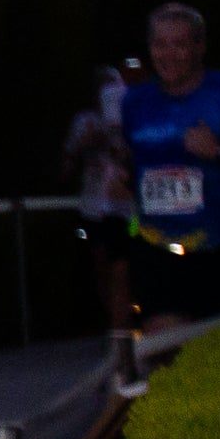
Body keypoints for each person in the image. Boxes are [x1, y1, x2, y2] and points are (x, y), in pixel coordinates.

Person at [118, 3, 220, 326]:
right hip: (157, 247)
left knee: (211, 364)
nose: (168, 54)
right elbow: (131, 159)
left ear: (199, 47)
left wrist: (217, 154)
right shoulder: (134, 102)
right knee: (164, 349)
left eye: (179, 44)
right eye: (159, 45)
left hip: (216, 248)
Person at [67, 69, 134, 335]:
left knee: (124, 267)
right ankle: (115, 325)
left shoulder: (132, 116)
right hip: (95, 207)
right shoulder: (85, 122)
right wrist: (83, 146)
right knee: (102, 263)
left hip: (128, 208)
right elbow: (65, 167)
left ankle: (128, 324)